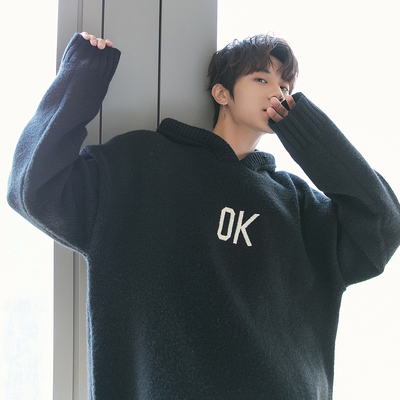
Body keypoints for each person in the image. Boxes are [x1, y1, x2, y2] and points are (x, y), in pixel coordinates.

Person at [7, 31, 400, 399]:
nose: (277, 92)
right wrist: (82, 76)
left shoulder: (299, 205)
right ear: (222, 93)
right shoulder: (143, 165)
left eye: (285, 86)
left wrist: (305, 129)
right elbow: (34, 187)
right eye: (261, 79)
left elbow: (382, 224)